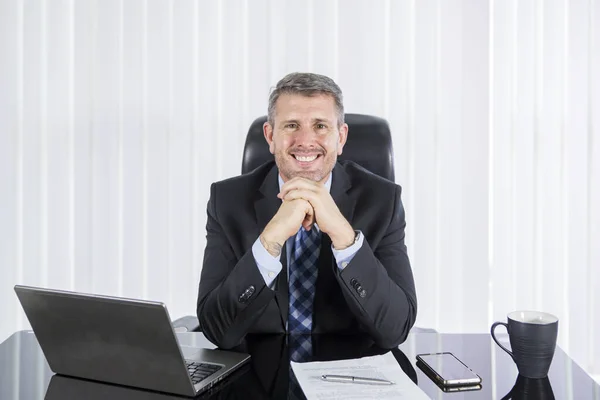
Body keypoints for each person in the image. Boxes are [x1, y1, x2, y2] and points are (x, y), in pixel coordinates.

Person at [196, 72, 417, 349]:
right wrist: (269, 241)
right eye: (291, 125)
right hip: (259, 376)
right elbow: (217, 330)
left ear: (341, 137)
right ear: (270, 136)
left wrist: (344, 237)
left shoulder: (383, 201)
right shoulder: (227, 200)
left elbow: (396, 329)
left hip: (349, 373)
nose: (305, 140)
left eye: (321, 126)